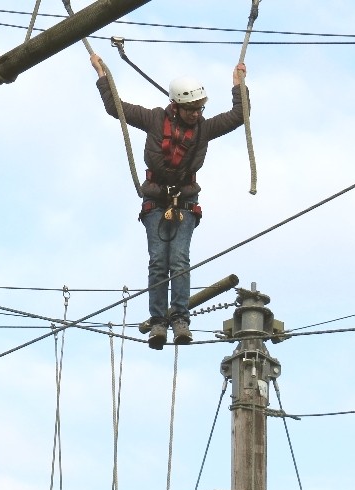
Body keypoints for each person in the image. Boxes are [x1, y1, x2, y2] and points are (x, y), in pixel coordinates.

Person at [90, 54, 248, 349]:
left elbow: (239, 116)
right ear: (177, 105)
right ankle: (158, 322)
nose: (196, 114)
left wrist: (238, 85)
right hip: (155, 202)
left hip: (184, 202)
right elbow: (117, 108)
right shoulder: (154, 119)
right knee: (158, 263)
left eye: (200, 108)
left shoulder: (204, 129)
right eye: (191, 109)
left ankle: (180, 319)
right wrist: (102, 76)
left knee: (178, 260)